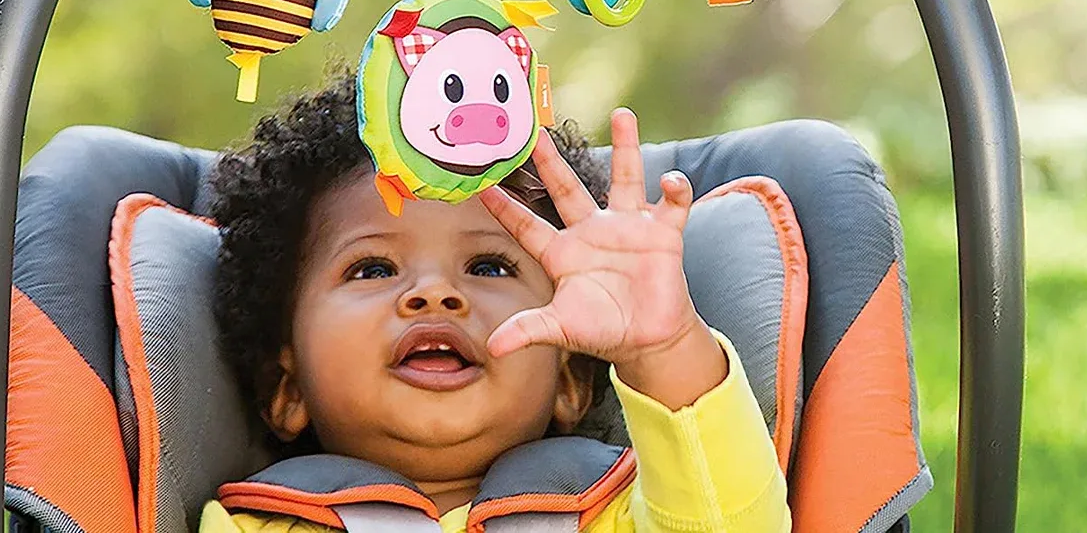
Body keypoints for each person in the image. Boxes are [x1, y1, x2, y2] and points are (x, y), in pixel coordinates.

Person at [201, 74, 789, 532]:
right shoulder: (250, 525)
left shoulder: (630, 512)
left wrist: (661, 347)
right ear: (289, 388)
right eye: (373, 268)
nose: (435, 294)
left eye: (489, 267)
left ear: (569, 384)